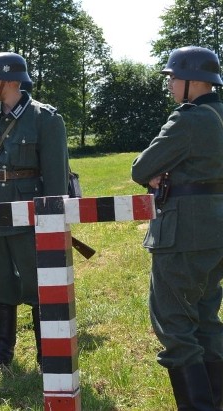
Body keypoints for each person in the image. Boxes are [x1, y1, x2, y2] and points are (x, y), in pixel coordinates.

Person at [0, 52, 69, 370]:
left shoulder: (45, 119)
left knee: (39, 285)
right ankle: (1, 354)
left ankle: (47, 354)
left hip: (31, 217)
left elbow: (55, 176)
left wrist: (51, 223)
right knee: (1, 283)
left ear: (10, 81)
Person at [131, 45, 223, 410]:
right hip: (215, 230)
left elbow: (141, 168)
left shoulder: (188, 119)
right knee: (205, 318)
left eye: (173, 78)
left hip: (184, 233)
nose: (169, 85)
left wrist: (161, 174)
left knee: (173, 324)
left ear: (192, 81)